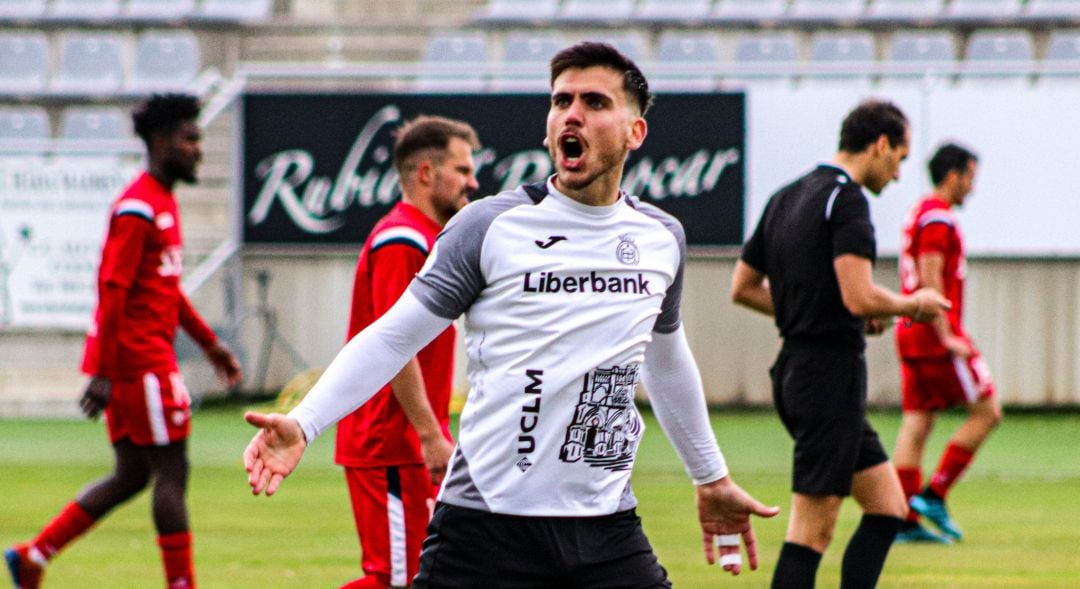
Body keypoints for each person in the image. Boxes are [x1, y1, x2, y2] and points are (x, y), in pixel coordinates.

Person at [244, 41, 779, 588]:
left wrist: (710, 477)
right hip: (485, 527)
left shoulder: (661, 237)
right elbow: (390, 338)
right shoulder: (489, 226)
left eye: (594, 102)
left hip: (605, 526)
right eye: (560, 101)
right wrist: (305, 423)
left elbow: (665, 361)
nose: (572, 114)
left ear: (634, 132)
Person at [4, 94, 242, 589]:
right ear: (161, 144)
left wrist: (210, 345)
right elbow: (112, 289)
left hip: (138, 361)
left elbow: (165, 290)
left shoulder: (160, 202)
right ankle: (182, 585)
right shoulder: (138, 209)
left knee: (134, 473)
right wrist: (106, 371)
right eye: (190, 138)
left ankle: (34, 556)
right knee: (172, 470)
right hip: (140, 363)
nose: (199, 148)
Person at [731, 99, 950, 588]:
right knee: (811, 532)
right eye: (900, 157)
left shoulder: (787, 196)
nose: (897, 174)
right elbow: (859, 296)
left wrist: (823, 312)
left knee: (888, 509)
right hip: (827, 378)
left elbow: (743, 287)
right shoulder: (847, 200)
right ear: (879, 145)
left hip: (797, 372)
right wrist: (913, 304)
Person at [336, 115, 480, 589]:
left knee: (431, 573)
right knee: (394, 579)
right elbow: (395, 347)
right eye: (461, 170)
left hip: (406, 440)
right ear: (425, 173)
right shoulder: (402, 241)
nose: (472, 182)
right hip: (390, 442)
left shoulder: (423, 237)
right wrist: (428, 433)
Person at [892, 143, 1001, 544]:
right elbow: (930, 275)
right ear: (953, 175)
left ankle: (904, 519)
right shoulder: (938, 218)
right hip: (933, 332)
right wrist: (948, 335)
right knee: (988, 411)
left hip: (909, 331)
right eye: (970, 177)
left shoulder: (918, 212)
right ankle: (934, 494)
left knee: (917, 423)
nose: (972, 187)